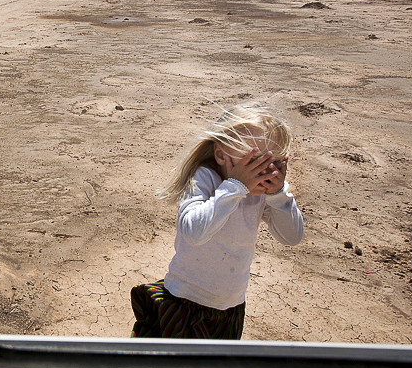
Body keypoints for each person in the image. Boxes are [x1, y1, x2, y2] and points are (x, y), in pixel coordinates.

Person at [130, 102, 304, 340]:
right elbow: (193, 232)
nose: (263, 173)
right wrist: (235, 186)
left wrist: (279, 194)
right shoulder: (204, 179)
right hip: (185, 302)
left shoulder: (263, 194)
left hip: (230, 308)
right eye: (253, 163)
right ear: (222, 155)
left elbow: (292, 237)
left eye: (272, 164)